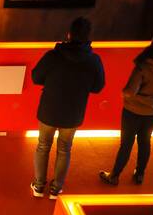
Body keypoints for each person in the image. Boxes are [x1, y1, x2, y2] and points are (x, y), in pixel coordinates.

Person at [30, 16, 106, 198]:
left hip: (49, 110)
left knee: (43, 146)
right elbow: (98, 87)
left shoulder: (53, 56)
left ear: (69, 34)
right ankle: (56, 189)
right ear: (88, 37)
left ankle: (39, 186)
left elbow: (35, 77)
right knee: (65, 149)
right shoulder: (94, 60)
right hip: (73, 114)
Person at [99, 26, 153, 186]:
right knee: (145, 141)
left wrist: (123, 94)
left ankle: (114, 176)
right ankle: (139, 174)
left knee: (126, 143)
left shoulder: (144, 65)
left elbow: (130, 91)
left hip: (133, 110)